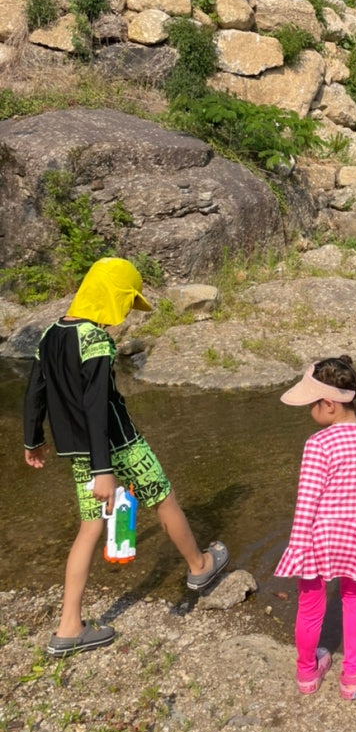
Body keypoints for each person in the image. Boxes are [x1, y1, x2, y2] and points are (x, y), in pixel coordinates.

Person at [23, 257, 230, 658]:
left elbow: (34, 392)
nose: (122, 316)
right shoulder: (96, 341)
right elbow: (97, 407)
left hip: (80, 455)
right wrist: (106, 471)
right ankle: (200, 566)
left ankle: (69, 628)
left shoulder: (50, 334)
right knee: (162, 498)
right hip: (120, 447)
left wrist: (33, 440)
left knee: (89, 528)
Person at [275, 355, 356, 700]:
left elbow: (307, 501)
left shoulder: (317, 445)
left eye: (311, 404)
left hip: (320, 534)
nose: (309, 412)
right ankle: (351, 677)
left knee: (310, 605)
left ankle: (306, 673)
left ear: (329, 405)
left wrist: (298, 547)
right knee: (354, 599)